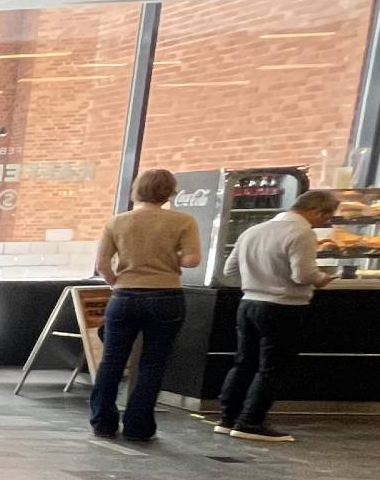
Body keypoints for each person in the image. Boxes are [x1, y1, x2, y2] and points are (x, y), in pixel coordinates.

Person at [214, 189, 338, 442]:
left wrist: (255, 280)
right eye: (326, 216)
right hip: (284, 306)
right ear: (317, 211)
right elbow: (302, 275)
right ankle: (251, 421)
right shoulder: (302, 232)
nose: (324, 222)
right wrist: (322, 279)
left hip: (248, 303)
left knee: (243, 362)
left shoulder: (253, 230)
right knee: (271, 367)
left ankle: (228, 418)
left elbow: (229, 269)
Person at [88, 168, 203, 440]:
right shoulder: (183, 221)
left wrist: (117, 282)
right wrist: (169, 257)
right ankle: (139, 427)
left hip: (125, 296)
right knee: (153, 363)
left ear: (137, 189)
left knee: (112, 362)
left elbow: (102, 264)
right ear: (170, 192)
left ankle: (103, 422)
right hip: (166, 297)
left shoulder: (117, 222)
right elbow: (192, 260)